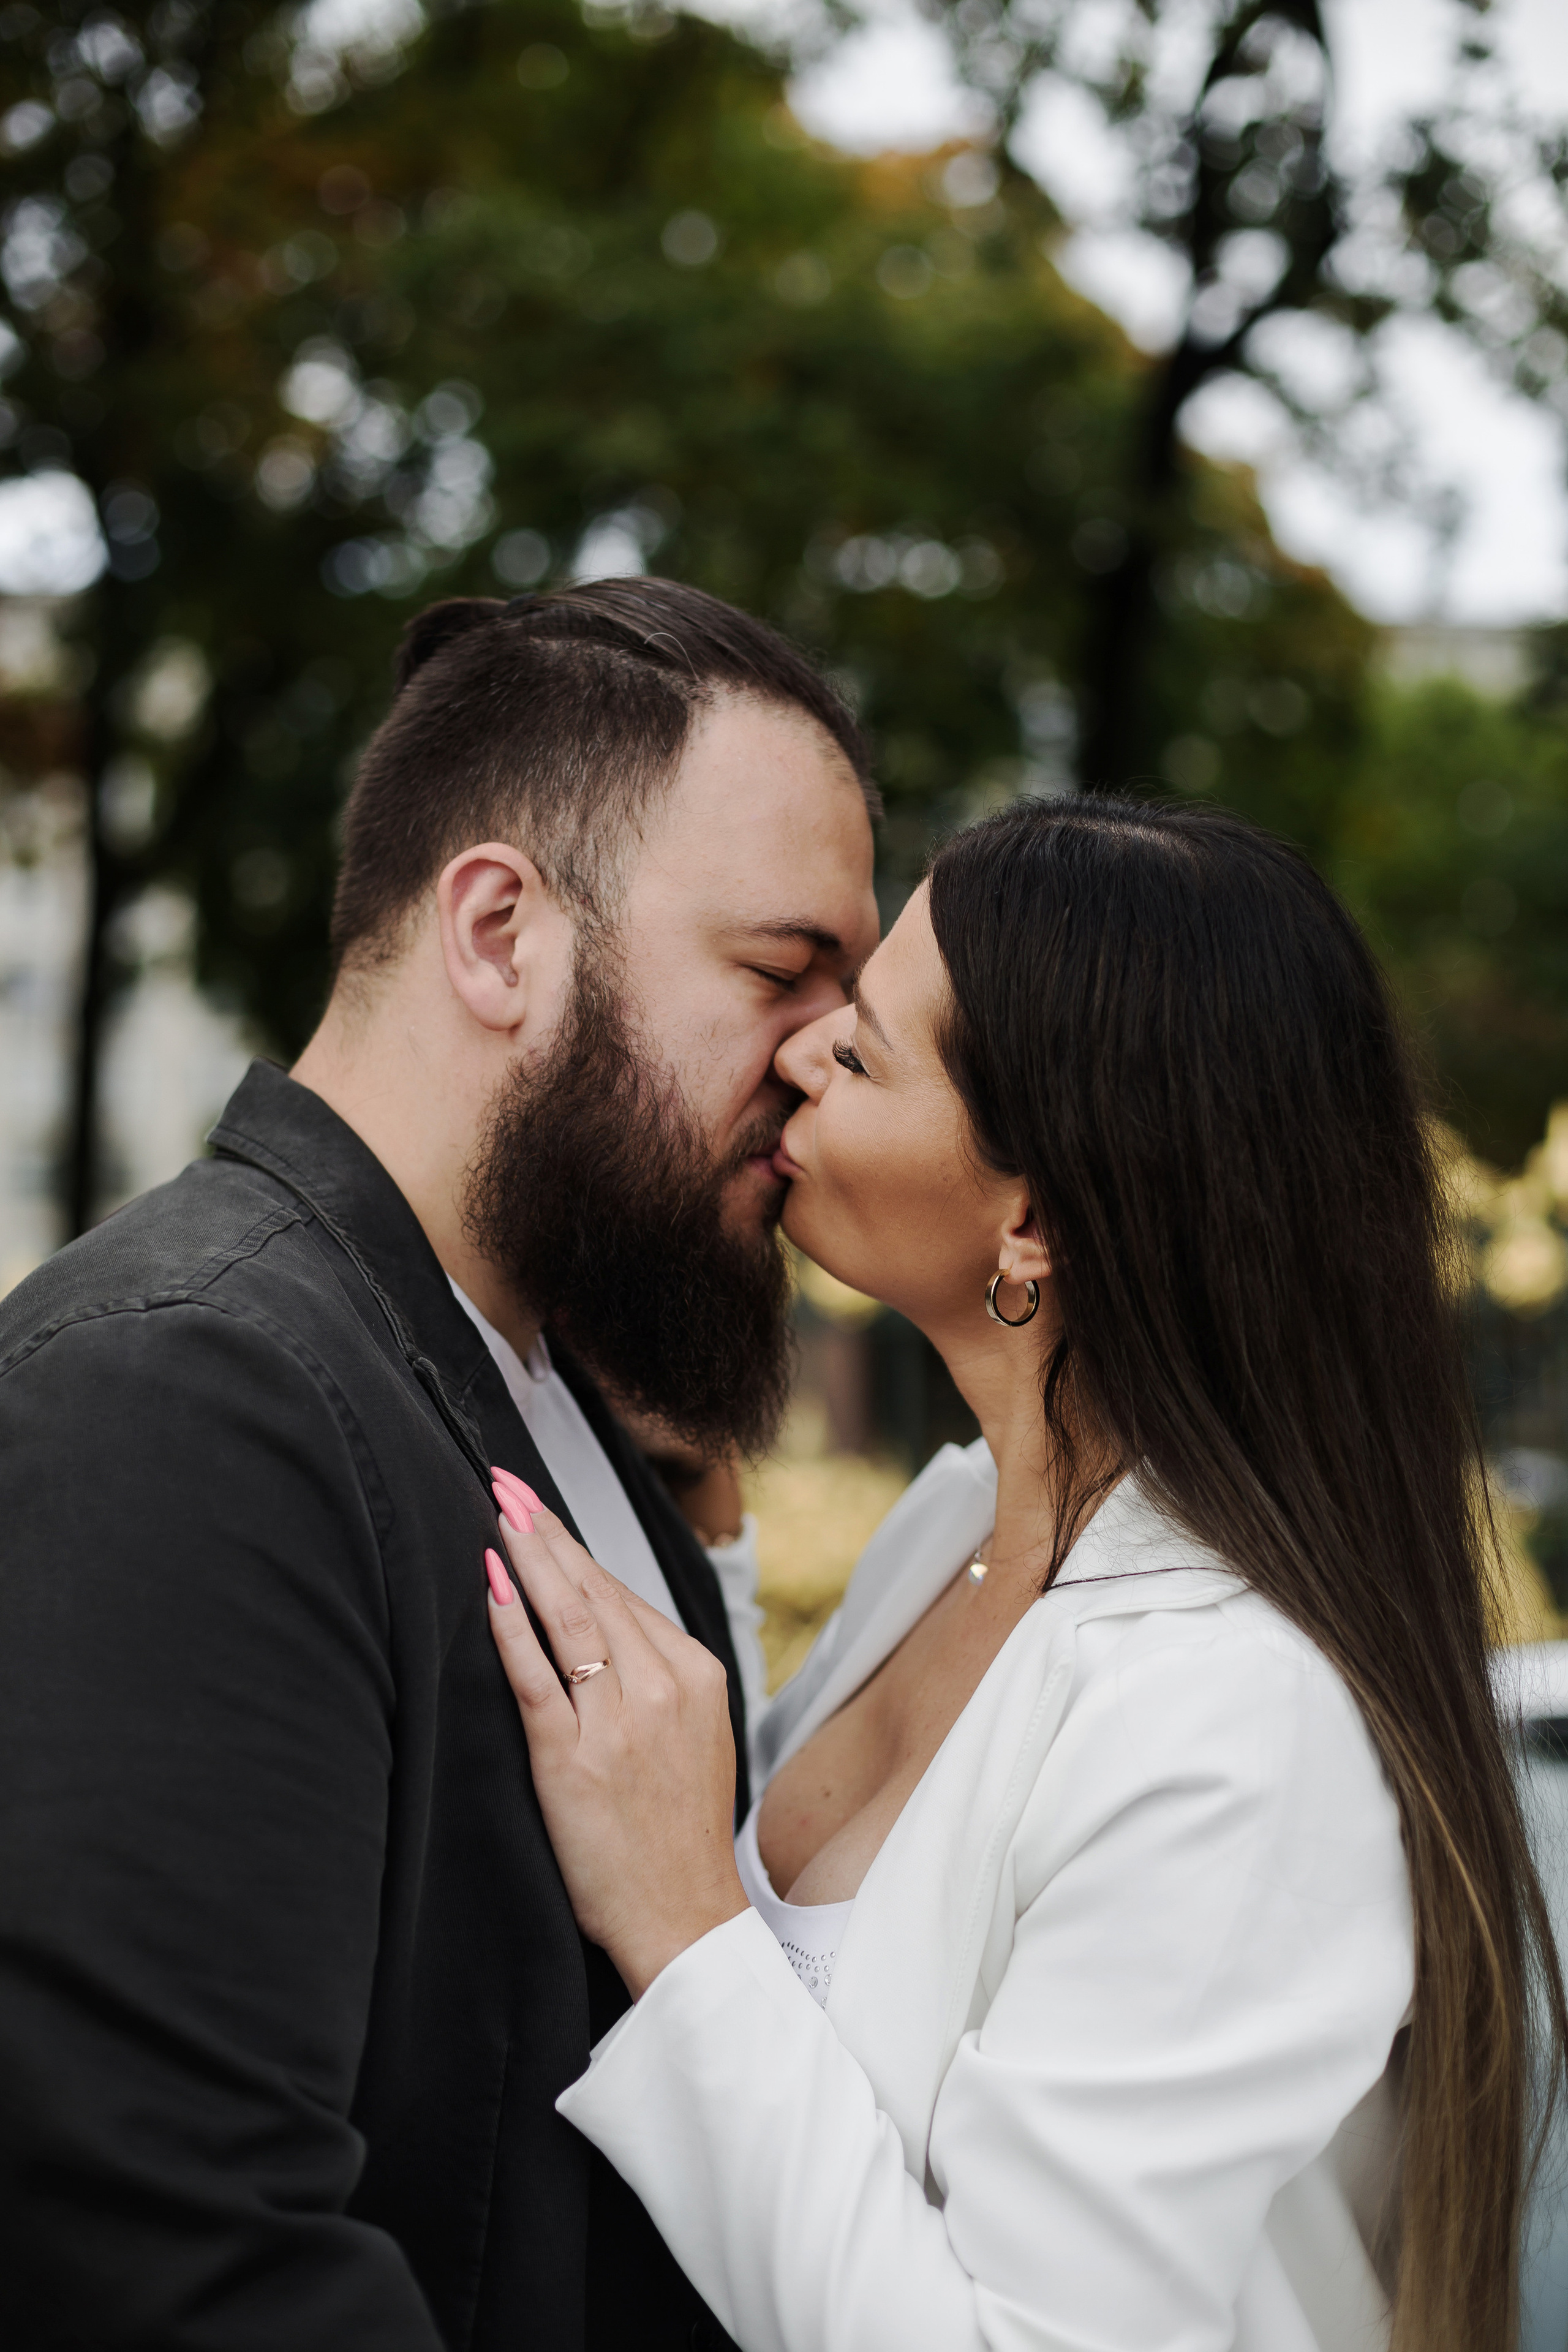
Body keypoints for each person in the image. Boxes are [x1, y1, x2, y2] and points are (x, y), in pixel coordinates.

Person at [485, 794, 1568, 2352]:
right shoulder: (961, 1532)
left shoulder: (1228, 1722)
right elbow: (864, 1981)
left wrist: (678, 1929)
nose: (798, 1054)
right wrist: (704, 1558)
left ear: (1034, 1220)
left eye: (859, 1050)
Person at [0, 579, 879, 2349]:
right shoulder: (189, 1396)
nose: (823, 1058)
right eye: (782, 971)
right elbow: (178, 2256)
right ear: (498, 933)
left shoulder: (552, 1394)